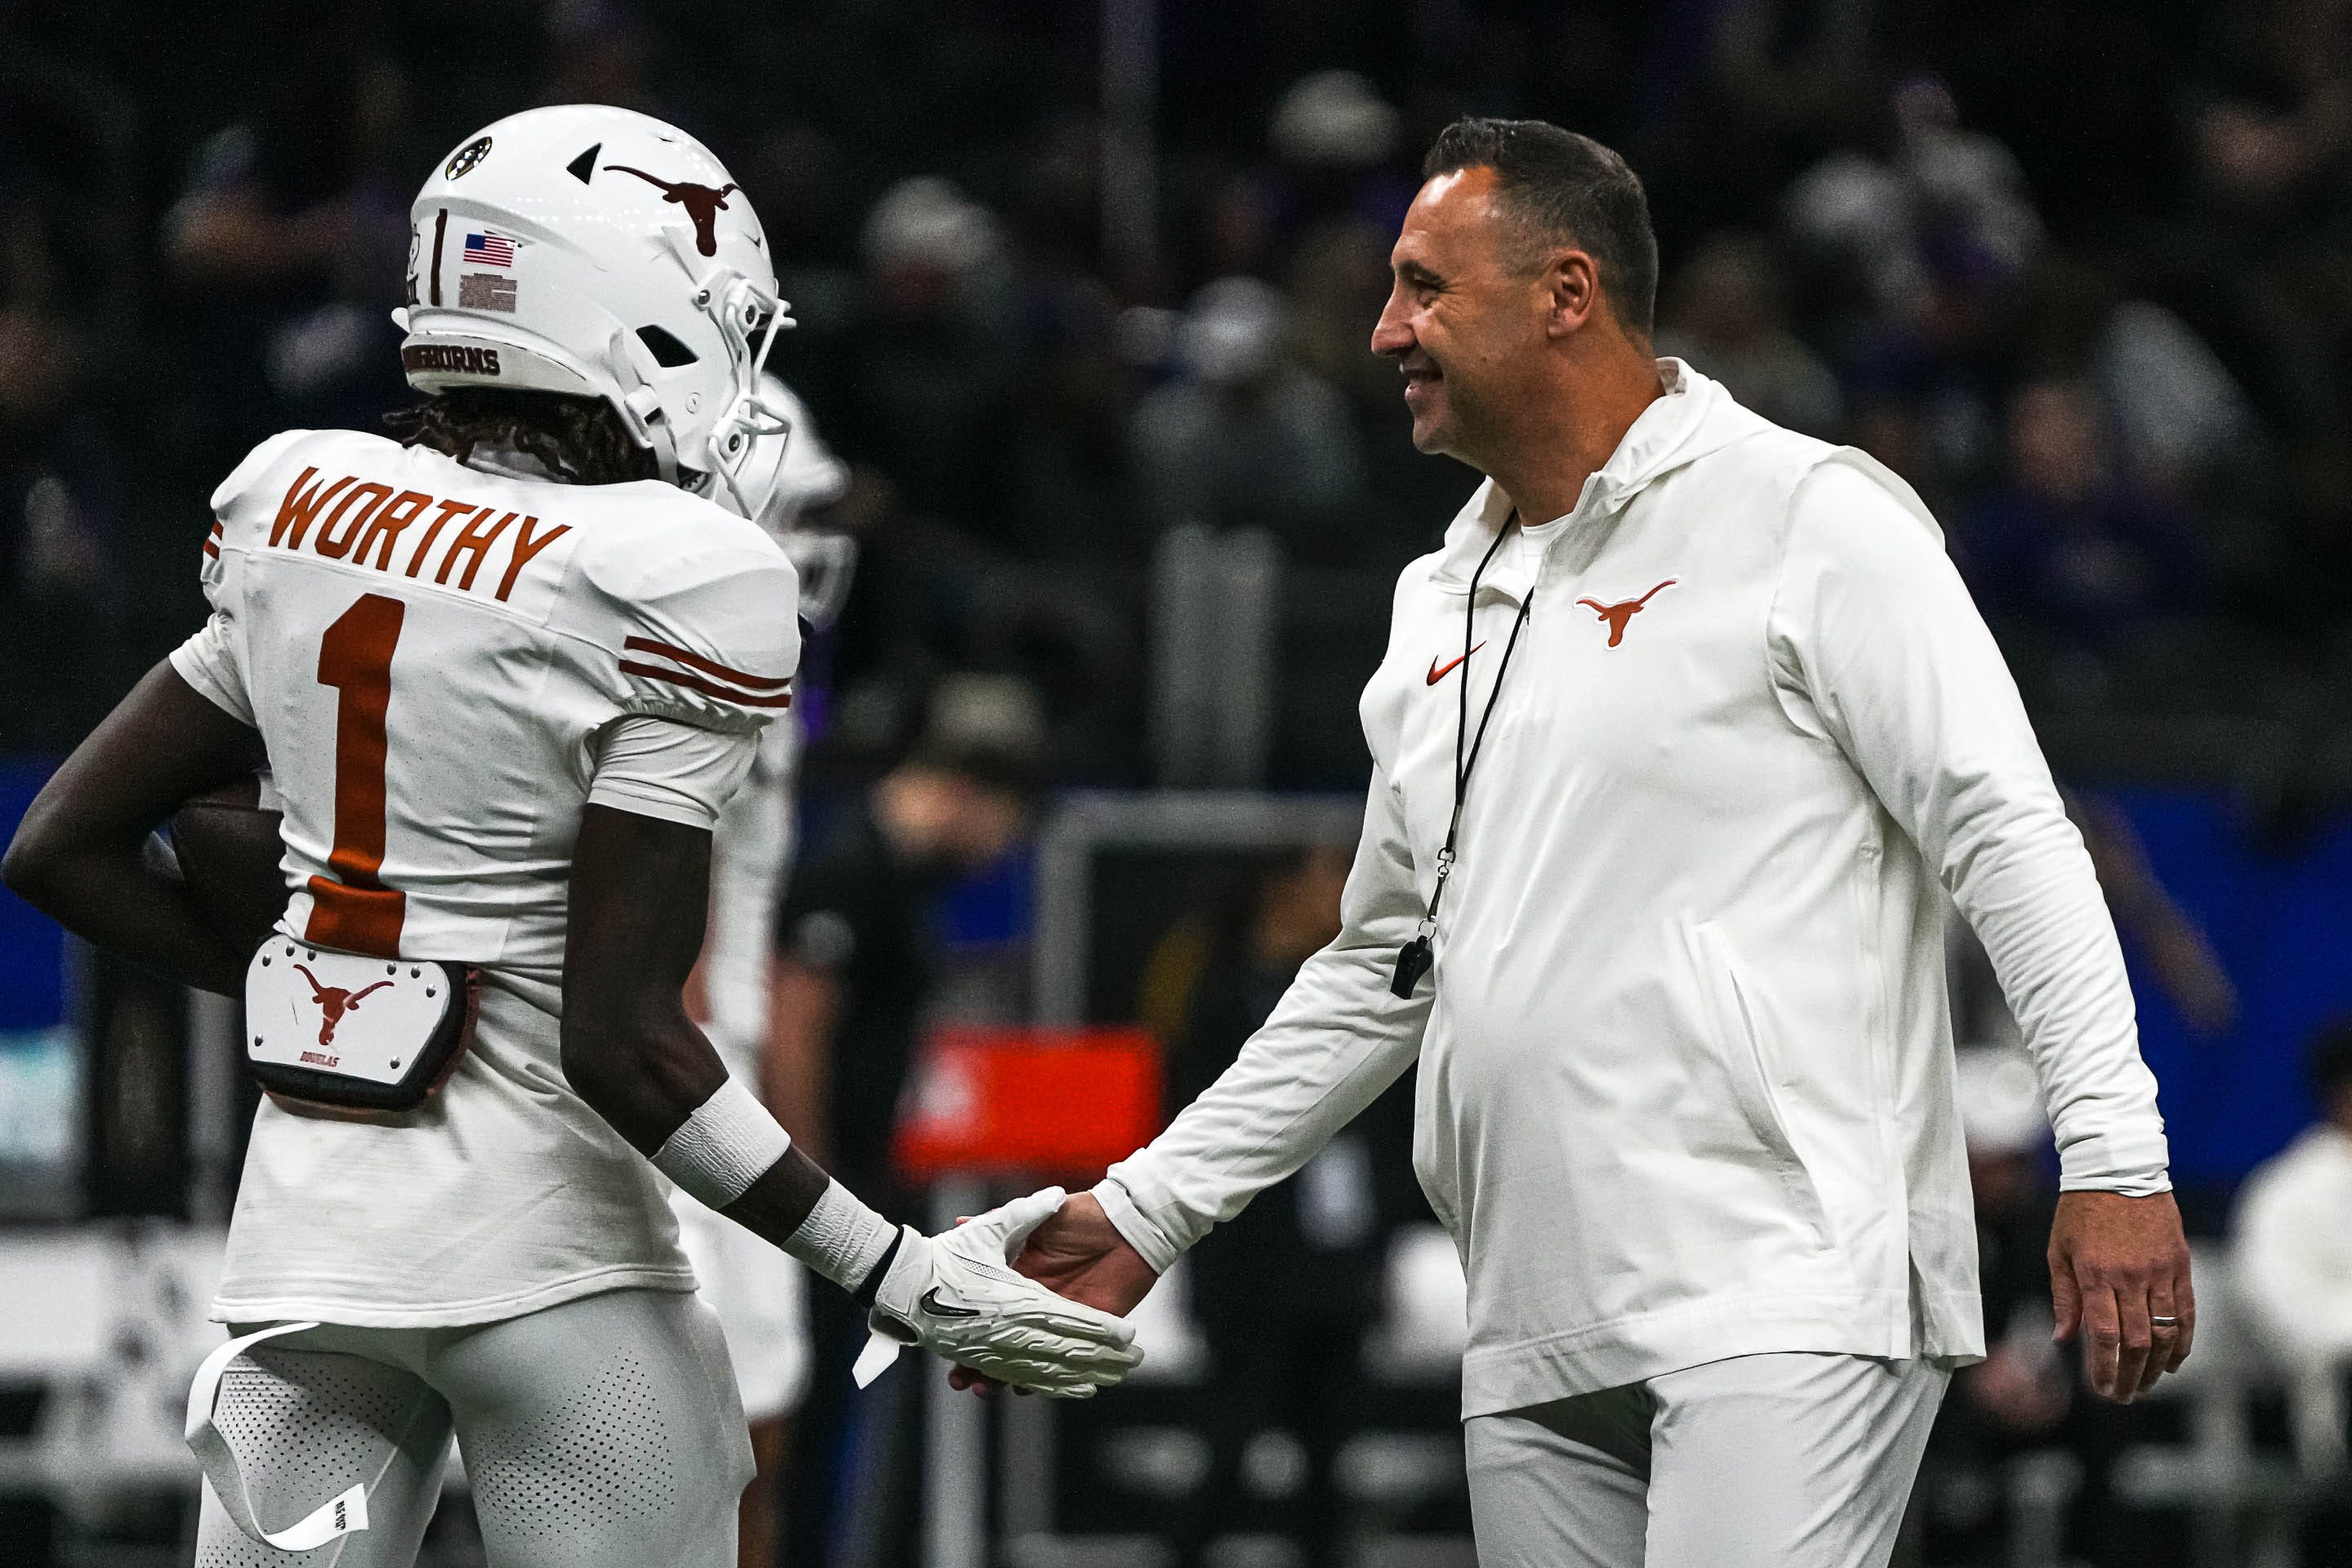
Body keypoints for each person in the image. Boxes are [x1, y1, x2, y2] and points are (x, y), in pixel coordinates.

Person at [991, 117, 2193, 1567]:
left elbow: (2010, 833)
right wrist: (1147, 1210)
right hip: (1532, 1310)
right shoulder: (1439, 600)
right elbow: (1387, 959)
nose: (1383, 333)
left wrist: (2115, 1155)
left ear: (1567, 292)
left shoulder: (1810, 516)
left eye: (1426, 287)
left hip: (1786, 1286)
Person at [1, 105, 1134, 1568]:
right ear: (624, 311)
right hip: (557, 1269)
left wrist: (323, 981)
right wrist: (894, 1269)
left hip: (304, 1273)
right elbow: (619, 1039)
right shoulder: (672, 574)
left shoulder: (297, 501)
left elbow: (61, 849)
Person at [672, 373, 854, 1568]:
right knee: (698, 1460)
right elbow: (668, 965)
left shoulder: (763, 689)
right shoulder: (686, 677)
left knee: (753, 1453)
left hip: (710, 1089)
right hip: (680, 1097)